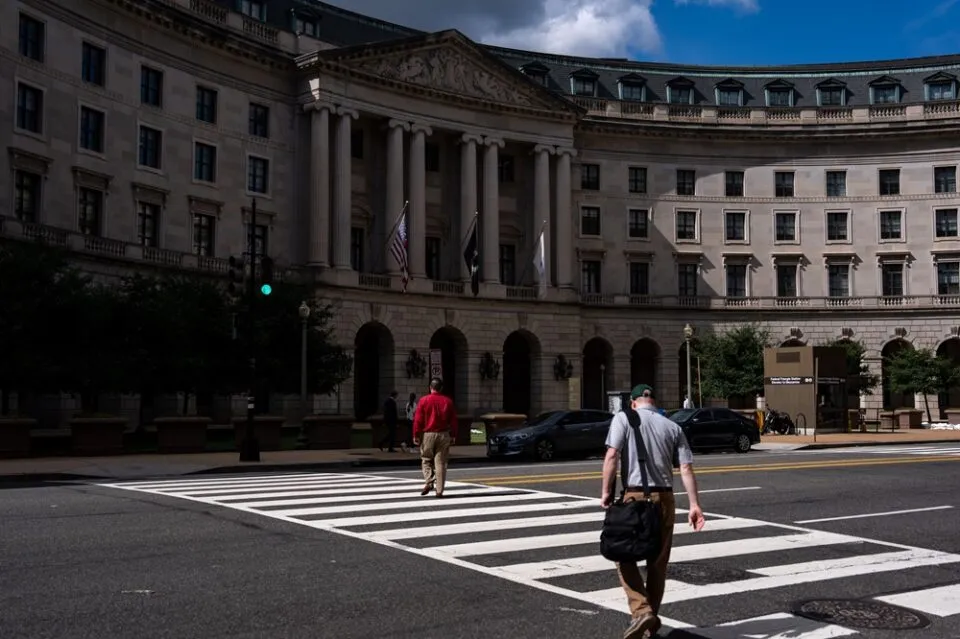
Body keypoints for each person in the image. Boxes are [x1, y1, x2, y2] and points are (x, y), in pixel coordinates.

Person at [601, 384, 705, 639]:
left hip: (635, 496)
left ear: (634, 402)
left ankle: (642, 611)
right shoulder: (672, 426)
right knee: (658, 563)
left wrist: (606, 491)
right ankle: (649, 626)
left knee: (622, 554)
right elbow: (686, 468)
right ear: (653, 401)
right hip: (666, 498)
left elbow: (612, 455)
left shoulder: (623, 418)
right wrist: (694, 505)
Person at [412, 377, 458, 497]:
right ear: (441, 388)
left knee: (426, 459)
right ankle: (439, 491)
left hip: (427, 434)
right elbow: (453, 420)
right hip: (444, 434)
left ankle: (429, 480)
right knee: (441, 463)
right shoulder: (448, 401)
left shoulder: (423, 400)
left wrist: (416, 434)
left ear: (430, 388)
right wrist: (453, 435)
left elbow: (418, 420)